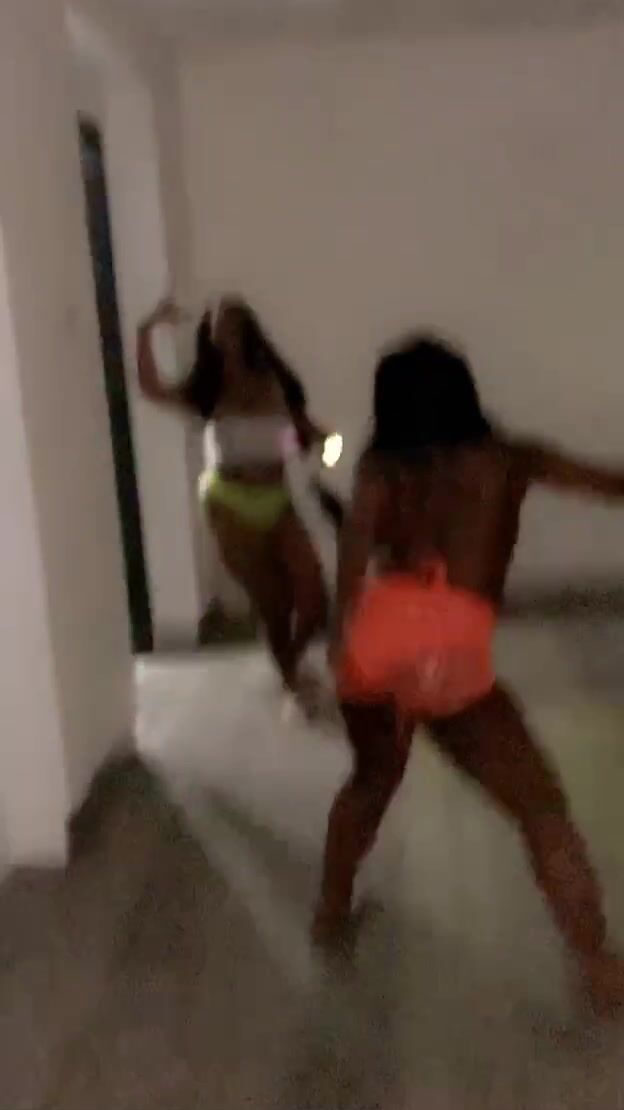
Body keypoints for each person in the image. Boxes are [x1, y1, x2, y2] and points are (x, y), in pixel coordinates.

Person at [315, 333, 624, 1014]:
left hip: (375, 641)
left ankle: (330, 917)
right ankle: (598, 967)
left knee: (371, 781)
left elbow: (352, 566)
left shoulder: (379, 470)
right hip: (447, 655)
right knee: (541, 809)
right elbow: (613, 485)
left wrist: (339, 645)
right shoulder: (509, 460)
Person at [137, 295, 336, 706]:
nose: (223, 332)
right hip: (230, 505)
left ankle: (292, 661)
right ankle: (291, 675)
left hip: (277, 499)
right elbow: (152, 388)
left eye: (230, 323)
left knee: (313, 594)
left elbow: (303, 436)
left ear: (247, 330)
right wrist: (146, 330)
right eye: (215, 326)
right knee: (273, 603)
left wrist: (326, 450)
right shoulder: (207, 390)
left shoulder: (276, 381)